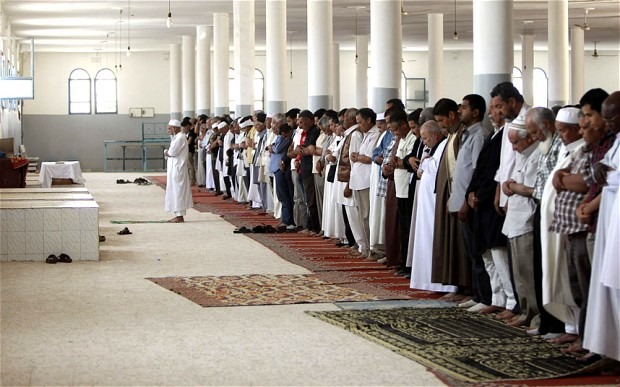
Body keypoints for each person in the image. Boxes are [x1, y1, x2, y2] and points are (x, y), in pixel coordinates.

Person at [164, 119, 193, 223]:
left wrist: (166, 151)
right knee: (175, 191)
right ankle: (177, 214)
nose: (168, 130)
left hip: (178, 169)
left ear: (175, 128)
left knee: (178, 191)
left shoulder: (180, 138)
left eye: (169, 128)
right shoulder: (176, 137)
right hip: (175, 168)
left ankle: (180, 215)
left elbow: (172, 152)